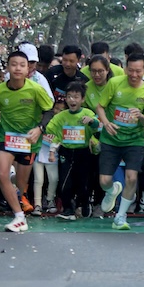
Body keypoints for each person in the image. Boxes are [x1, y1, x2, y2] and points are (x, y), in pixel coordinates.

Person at [0, 51, 55, 232]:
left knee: (21, 184)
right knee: (2, 174)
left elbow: (49, 111)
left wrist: (39, 129)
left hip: (29, 141)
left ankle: (17, 200)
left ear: (28, 69)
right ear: (8, 67)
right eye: (14, 64)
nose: (18, 68)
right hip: (6, 137)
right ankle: (19, 217)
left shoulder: (36, 89)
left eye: (22, 65)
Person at [95, 54, 144, 230]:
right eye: (131, 70)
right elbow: (100, 107)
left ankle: (120, 216)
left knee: (131, 177)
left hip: (134, 140)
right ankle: (111, 191)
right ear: (125, 68)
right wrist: (106, 123)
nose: (134, 75)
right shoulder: (114, 83)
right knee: (104, 180)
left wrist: (140, 116)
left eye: (138, 71)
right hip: (111, 138)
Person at [46, 82, 101, 221]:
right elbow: (50, 129)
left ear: (82, 99)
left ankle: (84, 204)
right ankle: (68, 209)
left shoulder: (87, 113)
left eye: (76, 97)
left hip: (84, 153)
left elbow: (98, 127)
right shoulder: (61, 116)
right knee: (64, 182)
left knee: (83, 183)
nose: (72, 100)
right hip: (66, 152)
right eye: (69, 96)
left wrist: (91, 121)